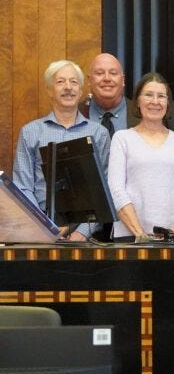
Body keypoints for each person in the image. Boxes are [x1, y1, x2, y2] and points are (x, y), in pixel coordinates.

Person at [13, 59, 111, 241]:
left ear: (80, 91)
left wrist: (82, 232)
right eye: (60, 82)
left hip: (86, 234)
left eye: (74, 82)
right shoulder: (30, 132)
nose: (68, 87)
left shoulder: (99, 133)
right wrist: (45, 227)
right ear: (49, 90)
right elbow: (22, 186)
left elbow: (105, 189)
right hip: (40, 230)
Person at [108, 72, 174, 242]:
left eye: (161, 96)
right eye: (148, 95)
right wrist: (140, 235)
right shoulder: (122, 139)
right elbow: (116, 190)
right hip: (131, 237)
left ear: (168, 103)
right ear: (138, 101)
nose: (155, 102)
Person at [81, 53, 139, 136]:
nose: (107, 78)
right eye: (100, 73)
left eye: (113, 73)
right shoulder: (75, 114)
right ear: (89, 80)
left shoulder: (141, 114)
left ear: (123, 80)